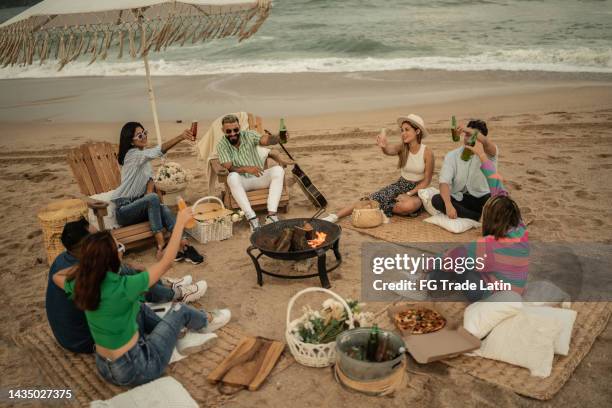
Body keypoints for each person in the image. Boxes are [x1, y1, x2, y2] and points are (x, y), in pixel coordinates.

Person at [53, 208, 231, 386]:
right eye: (119, 248)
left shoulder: (83, 285)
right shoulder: (122, 287)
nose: (121, 251)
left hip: (105, 367)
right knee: (179, 310)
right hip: (136, 368)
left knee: (137, 306)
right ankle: (207, 321)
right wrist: (179, 223)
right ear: (112, 258)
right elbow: (167, 262)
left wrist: (89, 263)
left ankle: (179, 335)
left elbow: (56, 277)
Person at [45, 218, 206, 354]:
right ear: (88, 247)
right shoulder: (105, 282)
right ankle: (175, 295)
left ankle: (166, 287)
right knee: (137, 299)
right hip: (86, 340)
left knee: (127, 272)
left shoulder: (64, 263)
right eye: (97, 236)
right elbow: (165, 263)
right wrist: (179, 223)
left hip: (70, 336)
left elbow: (62, 276)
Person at [427, 140, 528, 302]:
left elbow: (454, 258)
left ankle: (431, 283)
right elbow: (497, 185)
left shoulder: (488, 246)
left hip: (492, 295)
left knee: (453, 263)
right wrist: (481, 155)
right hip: (517, 287)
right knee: (460, 257)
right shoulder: (520, 228)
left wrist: (431, 262)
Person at [112, 122, 203, 263]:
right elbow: (158, 151)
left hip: (139, 207)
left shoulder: (144, 160)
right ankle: (161, 245)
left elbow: (150, 186)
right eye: (139, 135)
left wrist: (158, 206)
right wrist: (181, 137)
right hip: (124, 211)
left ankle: (185, 245)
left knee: (161, 205)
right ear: (130, 141)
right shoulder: (132, 155)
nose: (144, 137)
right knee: (154, 199)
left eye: (145, 133)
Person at [322, 114, 434, 223]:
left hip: (417, 190)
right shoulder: (402, 148)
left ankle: (379, 209)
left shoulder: (427, 152)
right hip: (400, 185)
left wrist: (409, 194)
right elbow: (389, 151)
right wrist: (384, 146)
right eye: (402, 130)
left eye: (407, 130)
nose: (403, 133)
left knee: (409, 205)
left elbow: (426, 181)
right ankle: (334, 216)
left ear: (417, 131)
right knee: (370, 199)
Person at [217, 114, 287, 231]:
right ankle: (252, 218)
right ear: (223, 130)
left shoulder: (249, 135)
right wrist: (245, 169)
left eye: (236, 129)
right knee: (232, 177)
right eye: (228, 131)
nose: (233, 133)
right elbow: (229, 167)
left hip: (259, 176)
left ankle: (272, 215)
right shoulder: (221, 145)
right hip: (242, 182)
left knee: (278, 170)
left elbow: (265, 140)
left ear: (240, 127)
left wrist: (278, 138)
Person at [431, 119, 498, 221]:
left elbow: (486, 142)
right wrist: (448, 205)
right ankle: (477, 217)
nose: (469, 139)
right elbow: (444, 182)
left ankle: (473, 214)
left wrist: (468, 130)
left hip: (482, 197)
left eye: (473, 136)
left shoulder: (489, 153)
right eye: (467, 135)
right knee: (437, 200)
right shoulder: (452, 155)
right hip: (460, 197)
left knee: (497, 204)